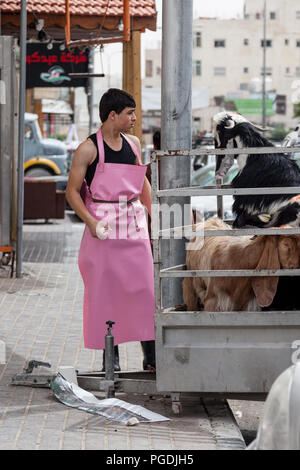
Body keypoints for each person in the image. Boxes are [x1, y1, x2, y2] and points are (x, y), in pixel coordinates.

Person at [66, 88, 156, 372]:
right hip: (102, 228)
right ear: (112, 115)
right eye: (130, 113)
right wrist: (91, 223)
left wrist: (155, 219)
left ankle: (151, 357)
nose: (134, 118)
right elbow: (71, 192)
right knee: (106, 294)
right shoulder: (87, 149)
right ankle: (110, 358)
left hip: (133, 225)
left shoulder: (134, 144)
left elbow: (143, 186)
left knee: (145, 290)